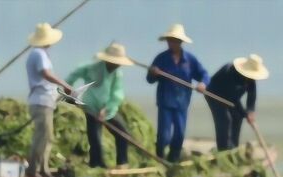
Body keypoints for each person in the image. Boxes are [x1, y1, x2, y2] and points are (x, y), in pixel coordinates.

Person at [146, 24, 209, 162]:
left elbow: (203, 74)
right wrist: (153, 73)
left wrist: (202, 84)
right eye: (169, 40)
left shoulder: (190, 60)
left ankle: (173, 160)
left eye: (174, 40)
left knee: (179, 134)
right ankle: (160, 158)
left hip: (182, 103)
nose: (171, 43)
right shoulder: (161, 59)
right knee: (164, 136)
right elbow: (149, 80)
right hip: (165, 102)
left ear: (180, 42)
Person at [66, 43, 134, 168]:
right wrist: (69, 88)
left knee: (123, 134)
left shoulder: (117, 74)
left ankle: (122, 163)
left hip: (108, 110)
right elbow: (74, 74)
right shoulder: (93, 67)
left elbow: (116, 94)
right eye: (114, 62)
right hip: (91, 108)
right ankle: (97, 165)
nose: (116, 65)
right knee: (95, 140)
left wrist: (106, 109)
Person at [25, 23, 72, 177]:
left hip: (46, 101)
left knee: (47, 137)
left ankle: (43, 170)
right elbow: (45, 74)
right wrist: (64, 85)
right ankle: (33, 171)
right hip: (41, 101)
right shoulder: (38, 53)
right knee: (42, 137)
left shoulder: (40, 53)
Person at [206, 54, 269, 151]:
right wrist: (245, 113)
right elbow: (232, 97)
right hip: (215, 95)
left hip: (231, 97)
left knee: (238, 116)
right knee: (225, 120)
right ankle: (223, 150)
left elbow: (252, 95)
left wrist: (250, 111)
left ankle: (234, 147)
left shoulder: (250, 79)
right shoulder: (229, 72)